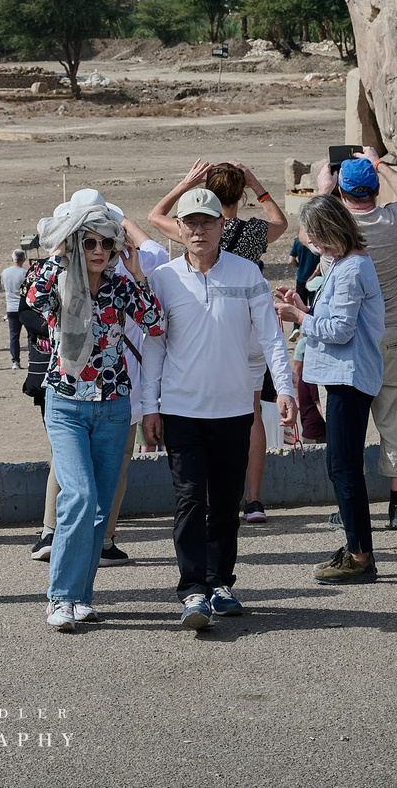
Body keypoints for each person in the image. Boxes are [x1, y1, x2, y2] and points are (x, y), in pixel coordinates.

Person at [139, 184, 297, 632]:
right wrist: (150, 407)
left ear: (221, 225)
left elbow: (270, 337)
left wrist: (285, 389)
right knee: (190, 499)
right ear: (179, 228)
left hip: (233, 409)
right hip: (181, 409)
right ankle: (192, 590)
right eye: (190, 223)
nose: (198, 231)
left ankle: (220, 583)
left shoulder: (247, 274)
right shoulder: (164, 279)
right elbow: (154, 347)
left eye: (207, 222)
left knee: (227, 502)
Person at [26, 189, 164, 630]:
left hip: (114, 406)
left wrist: (138, 275)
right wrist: (61, 252)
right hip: (66, 403)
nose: (100, 251)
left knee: (100, 508)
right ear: (75, 244)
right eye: (89, 242)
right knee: (79, 496)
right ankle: (60, 597)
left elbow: (155, 324)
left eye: (107, 242)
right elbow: (33, 299)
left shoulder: (121, 285)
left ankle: (80, 597)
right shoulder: (57, 281)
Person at [276, 194, 388, 584]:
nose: (311, 242)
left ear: (329, 230)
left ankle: (359, 556)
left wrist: (298, 317)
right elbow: (338, 319)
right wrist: (305, 309)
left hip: (349, 377)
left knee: (344, 468)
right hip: (344, 375)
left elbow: (340, 330)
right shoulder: (345, 264)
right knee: (341, 466)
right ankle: (358, 550)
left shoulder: (352, 267)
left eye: (314, 235)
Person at [328, 152, 397, 530]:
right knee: (395, 417)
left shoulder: (334, 226)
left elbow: (305, 231)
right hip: (392, 331)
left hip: (349, 334)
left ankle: (349, 502)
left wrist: (323, 189)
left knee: (348, 424)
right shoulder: (394, 221)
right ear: (376, 189)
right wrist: (379, 163)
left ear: (342, 191)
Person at [1, 248, 32, 368]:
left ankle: (15, 361)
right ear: (24, 259)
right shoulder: (25, 273)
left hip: (11, 308)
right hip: (24, 307)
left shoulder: (5, 272)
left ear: (12, 259)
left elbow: (3, 287)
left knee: (14, 335)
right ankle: (31, 359)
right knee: (30, 334)